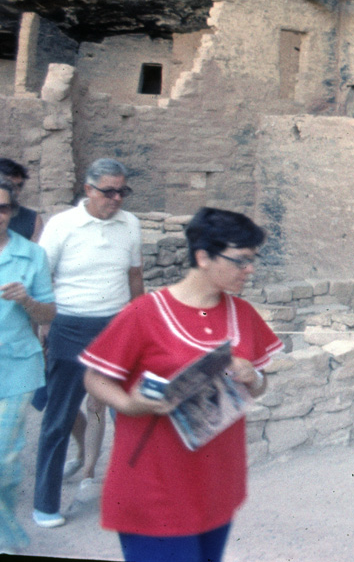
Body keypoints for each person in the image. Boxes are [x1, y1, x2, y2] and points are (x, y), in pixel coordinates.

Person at [81, 207, 282, 562]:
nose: (249, 269)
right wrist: (129, 404)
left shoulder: (243, 314)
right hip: (155, 485)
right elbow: (95, 378)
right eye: (241, 260)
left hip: (215, 482)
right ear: (203, 256)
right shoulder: (144, 314)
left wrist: (255, 377)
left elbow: (258, 386)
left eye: (253, 260)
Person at [31, 157, 143, 527]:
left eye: (122, 191)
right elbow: (41, 278)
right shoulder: (63, 226)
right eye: (108, 191)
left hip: (116, 327)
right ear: (88, 189)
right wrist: (44, 326)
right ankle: (46, 505)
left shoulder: (130, 225)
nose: (116, 199)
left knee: (127, 412)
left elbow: (134, 278)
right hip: (70, 325)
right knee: (60, 416)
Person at [0, 178, 55, 554]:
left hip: (16, 364)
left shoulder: (31, 255)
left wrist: (27, 300)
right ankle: (9, 538)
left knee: (4, 456)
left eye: (3, 208)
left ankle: (10, 540)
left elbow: (48, 311)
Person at [0, 158, 43, 241]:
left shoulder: (32, 220)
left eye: (19, 186)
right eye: (9, 185)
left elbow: (35, 252)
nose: (16, 192)